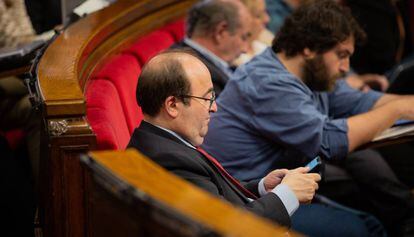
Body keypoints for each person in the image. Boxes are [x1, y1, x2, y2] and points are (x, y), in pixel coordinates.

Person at [201, 0, 414, 235]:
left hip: (283, 185)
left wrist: (406, 105)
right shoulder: (269, 82)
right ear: (309, 48)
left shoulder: (314, 75)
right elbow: (330, 141)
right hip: (246, 200)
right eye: (341, 55)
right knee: (367, 228)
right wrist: (397, 109)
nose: (345, 67)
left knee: (372, 201)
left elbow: (360, 101)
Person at [127, 49, 386, 236]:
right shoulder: (169, 160)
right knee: (368, 227)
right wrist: (288, 194)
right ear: (172, 105)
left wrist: (262, 186)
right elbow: (228, 226)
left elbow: (213, 198)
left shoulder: (160, 141)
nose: (215, 108)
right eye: (207, 99)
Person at [171, 0, 252, 95]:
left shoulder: (210, 63)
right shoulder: (193, 74)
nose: (245, 49)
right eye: (243, 37)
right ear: (220, 32)